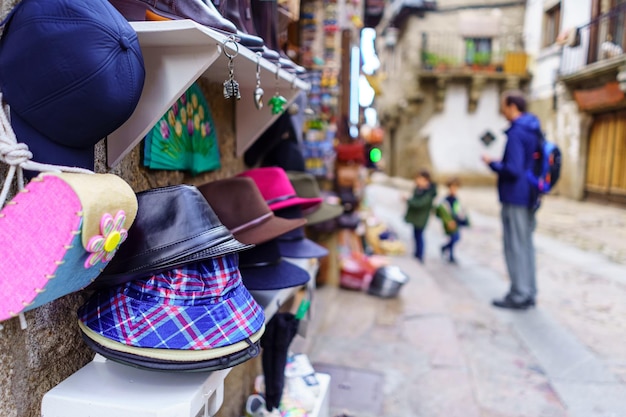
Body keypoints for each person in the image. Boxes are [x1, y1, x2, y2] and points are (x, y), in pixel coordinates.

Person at [482, 90, 541, 310]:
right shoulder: (532, 128)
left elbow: (514, 169)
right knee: (525, 244)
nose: (502, 110)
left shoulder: (517, 132)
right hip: (529, 195)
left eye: (503, 106)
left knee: (514, 244)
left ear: (512, 107)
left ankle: (518, 293)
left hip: (515, 195)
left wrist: (492, 163)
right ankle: (529, 291)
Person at [404, 169, 437, 263]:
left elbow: (419, 203)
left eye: (420, 179)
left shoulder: (429, 193)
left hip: (422, 218)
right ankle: (416, 253)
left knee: (420, 236)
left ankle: (420, 255)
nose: (417, 180)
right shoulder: (418, 189)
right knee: (415, 235)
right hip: (416, 217)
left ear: (426, 180)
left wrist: (408, 200)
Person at [435, 177, 469, 264]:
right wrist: (448, 221)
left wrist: (464, 220)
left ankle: (446, 249)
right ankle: (450, 255)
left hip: (456, 222)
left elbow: (460, 210)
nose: (453, 189)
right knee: (454, 237)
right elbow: (442, 212)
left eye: (455, 188)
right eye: (452, 187)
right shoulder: (445, 200)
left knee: (456, 238)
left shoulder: (457, 199)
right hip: (450, 223)